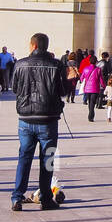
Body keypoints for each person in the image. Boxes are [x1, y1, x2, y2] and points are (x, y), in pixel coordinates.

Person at [9, 33, 67, 212]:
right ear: (46, 46)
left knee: (24, 158)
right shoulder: (56, 65)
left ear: (33, 46)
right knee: (48, 160)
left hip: (25, 120)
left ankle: (17, 198)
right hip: (48, 120)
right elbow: (63, 91)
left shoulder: (20, 64)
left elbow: (15, 89)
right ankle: (46, 199)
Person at [80, 53, 103, 122]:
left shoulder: (85, 69)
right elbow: (101, 79)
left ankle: (90, 113)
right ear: (96, 62)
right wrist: (103, 86)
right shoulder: (98, 69)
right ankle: (91, 115)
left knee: (90, 101)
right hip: (95, 88)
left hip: (87, 88)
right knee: (92, 102)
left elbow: (81, 78)